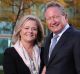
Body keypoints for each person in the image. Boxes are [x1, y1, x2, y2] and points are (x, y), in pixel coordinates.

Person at [41, 1, 80, 74]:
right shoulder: (48, 39)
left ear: (65, 17)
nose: (52, 22)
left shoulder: (77, 37)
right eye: (49, 18)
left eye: (55, 17)